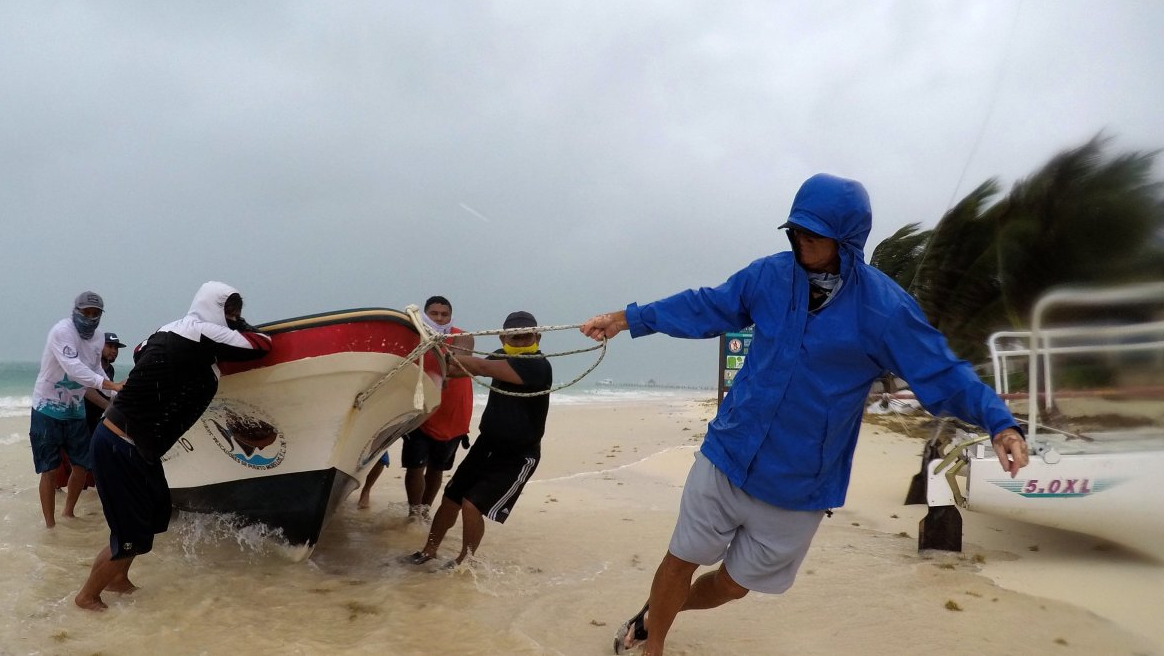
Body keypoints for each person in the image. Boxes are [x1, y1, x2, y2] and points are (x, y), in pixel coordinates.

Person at [579, 174, 1030, 655]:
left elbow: (941, 370)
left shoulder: (884, 310)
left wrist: (998, 421)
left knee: (733, 586)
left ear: (847, 240)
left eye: (813, 234)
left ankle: (656, 613)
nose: (800, 240)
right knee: (680, 559)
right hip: (729, 454)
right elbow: (705, 306)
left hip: (799, 485)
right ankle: (654, 645)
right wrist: (627, 318)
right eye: (795, 230)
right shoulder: (768, 276)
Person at [75, 281, 272, 611]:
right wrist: (239, 325)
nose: (233, 318)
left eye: (237, 313)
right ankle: (87, 597)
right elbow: (261, 344)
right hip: (120, 443)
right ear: (213, 307)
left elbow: (139, 351)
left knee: (153, 516)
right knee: (130, 535)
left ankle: (118, 579)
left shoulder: (172, 332)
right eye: (229, 311)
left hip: (137, 446)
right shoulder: (203, 332)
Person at [401, 310, 551, 570]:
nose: (519, 341)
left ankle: (465, 562)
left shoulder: (537, 366)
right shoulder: (500, 355)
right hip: (486, 445)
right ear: (503, 338)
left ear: (537, 337)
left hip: (517, 455)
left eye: (526, 336)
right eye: (514, 337)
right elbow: (459, 370)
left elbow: (481, 367)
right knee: (451, 498)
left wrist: (443, 350)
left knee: (472, 505)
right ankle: (429, 550)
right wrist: (429, 361)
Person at [30, 291, 123, 528]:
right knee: (50, 470)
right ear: (76, 310)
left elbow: (95, 368)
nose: (90, 318)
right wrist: (110, 385)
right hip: (47, 408)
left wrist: (116, 393)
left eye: (95, 313)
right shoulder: (62, 331)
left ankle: (68, 513)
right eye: (86, 312)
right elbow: (73, 369)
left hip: (75, 410)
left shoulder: (98, 337)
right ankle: (50, 525)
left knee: (82, 465)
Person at [395, 296, 475, 519]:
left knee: (437, 468)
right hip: (421, 412)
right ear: (425, 315)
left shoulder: (463, 337)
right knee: (415, 465)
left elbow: (459, 363)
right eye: (434, 314)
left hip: (453, 415)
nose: (439, 318)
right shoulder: (413, 336)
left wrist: (441, 363)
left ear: (450, 316)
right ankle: (414, 512)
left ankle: (425, 510)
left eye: (444, 314)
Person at [56, 332, 127, 491]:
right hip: (74, 418)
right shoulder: (87, 365)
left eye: (116, 347)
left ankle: (85, 496)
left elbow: (109, 393)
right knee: (62, 468)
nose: (114, 351)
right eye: (110, 346)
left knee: (89, 464)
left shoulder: (109, 370)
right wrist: (109, 408)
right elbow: (85, 389)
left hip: (93, 419)